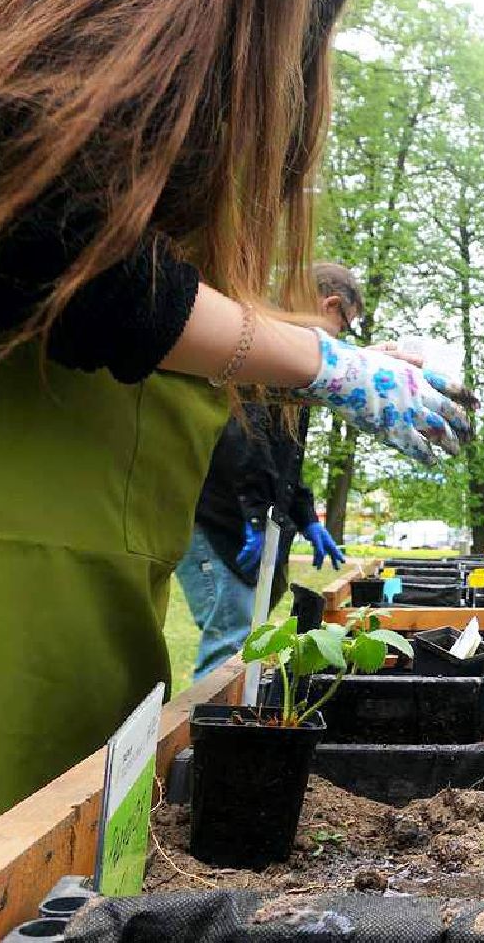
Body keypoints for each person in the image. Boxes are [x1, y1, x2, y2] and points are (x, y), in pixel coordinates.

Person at [0, 0, 474, 923]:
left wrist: (344, 356)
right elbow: (40, 237)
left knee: (40, 876)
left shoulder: (204, 82)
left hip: (63, 584)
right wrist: (321, 364)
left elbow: (155, 289)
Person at [176, 263, 370, 681]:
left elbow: (283, 456)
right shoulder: (254, 342)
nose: (339, 338)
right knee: (231, 644)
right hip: (217, 519)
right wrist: (253, 516)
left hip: (242, 517)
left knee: (247, 642)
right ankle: (211, 739)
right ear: (329, 304)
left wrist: (305, 518)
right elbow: (241, 439)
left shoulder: (287, 362)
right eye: (343, 326)